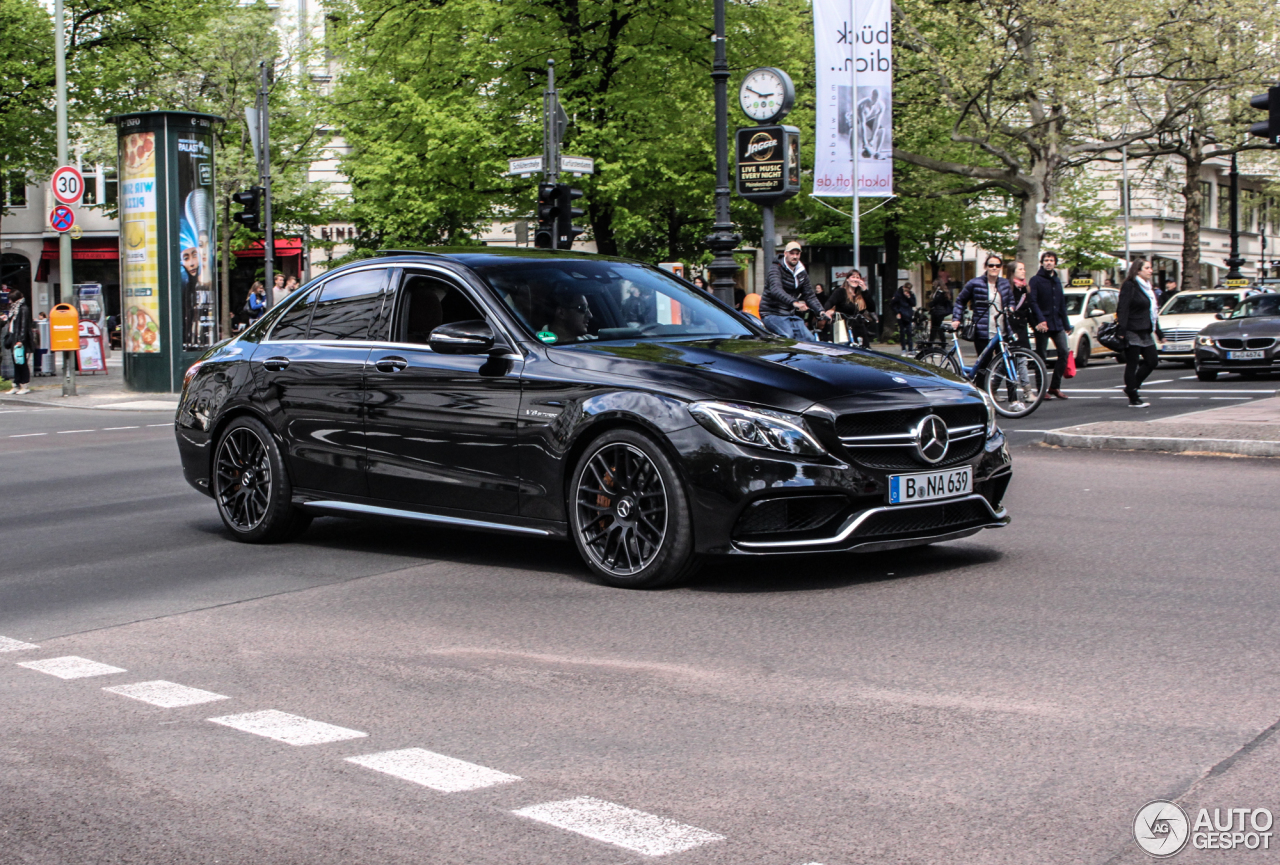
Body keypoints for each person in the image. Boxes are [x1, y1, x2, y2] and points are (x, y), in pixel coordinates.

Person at [1116, 257, 1163, 407]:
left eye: (1150, 268)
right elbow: (1123, 308)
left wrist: (1159, 332)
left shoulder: (1148, 288)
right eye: (1147, 268)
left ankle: (1132, 387)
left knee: (1152, 360)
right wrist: (1122, 330)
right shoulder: (1130, 286)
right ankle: (1133, 397)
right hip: (1132, 328)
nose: (1151, 271)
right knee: (1132, 362)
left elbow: (1152, 312)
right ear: (1138, 270)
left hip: (1145, 329)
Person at [953, 256, 1016, 365]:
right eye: (991, 265)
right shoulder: (975, 283)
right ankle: (979, 382)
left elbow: (1011, 300)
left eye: (998, 265)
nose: (994, 268)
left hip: (1001, 331)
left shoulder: (1004, 283)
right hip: (983, 332)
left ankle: (1001, 383)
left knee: (1005, 364)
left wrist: (1011, 308)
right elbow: (960, 300)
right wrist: (956, 319)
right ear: (986, 267)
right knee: (984, 366)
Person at [760, 241, 829, 340]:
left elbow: (809, 295)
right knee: (788, 337)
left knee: (810, 339)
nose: (795, 256)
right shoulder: (775, 269)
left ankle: (801, 356)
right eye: (792, 253)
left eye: (797, 254)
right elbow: (776, 290)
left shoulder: (801, 271)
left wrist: (821, 311)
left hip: (789, 314)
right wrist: (795, 303)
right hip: (771, 313)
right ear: (785, 253)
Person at [1029, 250, 1072, 400]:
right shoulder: (1036, 280)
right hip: (1043, 324)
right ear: (1042, 263)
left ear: (1055, 263)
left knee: (1064, 352)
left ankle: (1055, 386)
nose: (1049, 263)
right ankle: (1042, 389)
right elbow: (1032, 302)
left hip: (1057, 323)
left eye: (1051, 260)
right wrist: (1040, 319)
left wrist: (1067, 324)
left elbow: (1061, 304)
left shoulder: (1057, 280)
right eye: (1046, 260)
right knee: (1041, 356)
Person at [826, 271, 875, 347]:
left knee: (863, 349)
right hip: (843, 325)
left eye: (857, 277)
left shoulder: (861, 294)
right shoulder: (841, 292)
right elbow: (830, 302)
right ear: (847, 279)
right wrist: (826, 312)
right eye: (853, 277)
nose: (855, 280)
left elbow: (872, 308)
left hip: (858, 326)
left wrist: (865, 290)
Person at [2, 289, 33, 395]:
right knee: (16, 362)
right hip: (13, 336)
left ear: (15, 299)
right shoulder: (14, 309)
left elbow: (23, 326)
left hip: (19, 339)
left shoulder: (23, 309)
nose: (9, 302)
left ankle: (24, 384)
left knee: (21, 361)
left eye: (11, 299)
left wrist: (21, 340)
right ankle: (16, 383)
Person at [1005, 260, 1035, 349]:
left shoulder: (1024, 288)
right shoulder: (1008, 288)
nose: (1023, 271)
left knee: (1024, 354)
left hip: (1022, 327)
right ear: (1012, 272)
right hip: (1011, 327)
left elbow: (1028, 309)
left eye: (1024, 269)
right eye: (1020, 269)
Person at [891, 282, 917, 352]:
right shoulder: (898, 294)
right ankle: (903, 348)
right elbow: (893, 304)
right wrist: (897, 312)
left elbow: (913, 303)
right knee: (902, 332)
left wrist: (909, 297)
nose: (907, 291)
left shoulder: (910, 294)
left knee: (909, 332)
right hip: (901, 314)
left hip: (908, 314)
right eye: (906, 289)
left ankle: (910, 348)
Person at [928, 278, 952, 344]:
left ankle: (936, 342)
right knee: (936, 328)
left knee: (936, 328)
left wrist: (930, 304)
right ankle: (933, 341)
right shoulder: (940, 292)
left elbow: (936, 301)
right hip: (937, 311)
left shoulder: (940, 293)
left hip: (938, 312)